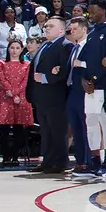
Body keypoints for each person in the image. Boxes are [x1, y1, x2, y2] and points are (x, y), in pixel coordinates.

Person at [77, 0, 106, 179]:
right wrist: (83, 80)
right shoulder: (93, 31)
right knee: (90, 121)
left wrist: (94, 79)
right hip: (90, 85)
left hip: (104, 84)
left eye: (93, 11)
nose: (90, 14)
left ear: (102, 10)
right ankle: (95, 160)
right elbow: (85, 59)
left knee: (105, 120)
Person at [27, 17, 72, 173]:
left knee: (58, 131)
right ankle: (47, 160)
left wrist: (46, 78)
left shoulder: (65, 46)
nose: (46, 28)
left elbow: (64, 73)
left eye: (50, 26)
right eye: (45, 26)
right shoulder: (45, 44)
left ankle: (60, 162)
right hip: (41, 96)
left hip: (56, 96)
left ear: (61, 30)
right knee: (46, 131)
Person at [0, 37, 32, 165]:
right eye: (12, 48)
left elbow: (25, 82)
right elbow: (1, 80)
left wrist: (15, 94)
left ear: (22, 50)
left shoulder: (27, 64)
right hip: (5, 98)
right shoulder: (1, 63)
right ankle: (5, 156)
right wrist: (12, 94)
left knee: (19, 129)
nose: (14, 51)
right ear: (8, 49)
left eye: (17, 48)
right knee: (4, 130)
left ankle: (15, 156)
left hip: (21, 98)